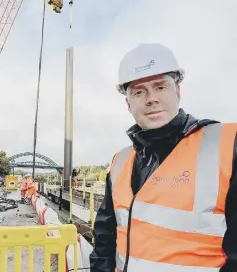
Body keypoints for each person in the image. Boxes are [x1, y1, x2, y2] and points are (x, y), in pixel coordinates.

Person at [89, 43, 237, 272]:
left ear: (177, 91)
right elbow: (105, 241)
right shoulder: (120, 162)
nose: (151, 99)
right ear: (128, 103)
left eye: (160, 87)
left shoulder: (227, 145)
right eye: (139, 91)